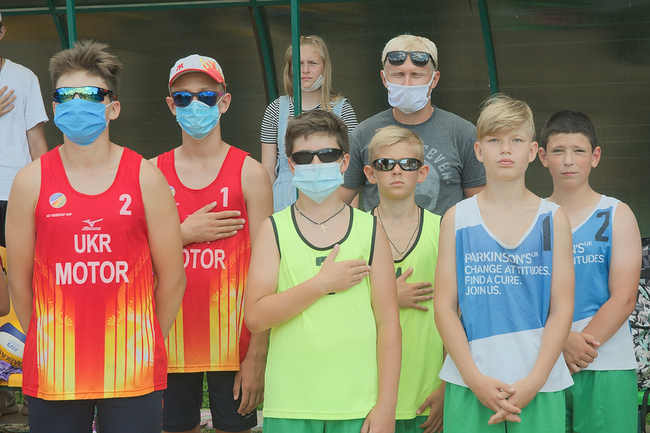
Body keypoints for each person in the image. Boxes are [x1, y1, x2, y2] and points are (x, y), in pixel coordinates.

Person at [5, 40, 186, 433]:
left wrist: (146, 340)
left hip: (133, 369)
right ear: (54, 109)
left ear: (113, 107)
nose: (76, 104)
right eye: (64, 95)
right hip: (55, 370)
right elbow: (19, 283)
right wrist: (47, 340)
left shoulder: (146, 177)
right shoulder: (30, 181)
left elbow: (173, 278)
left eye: (89, 94)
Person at [245, 109, 400, 433]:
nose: (316, 164)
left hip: (358, 405)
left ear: (344, 162)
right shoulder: (274, 229)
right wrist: (321, 284)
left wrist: (386, 406)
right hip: (290, 405)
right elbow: (256, 317)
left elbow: (388, 324)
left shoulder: (371, 229)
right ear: (291, 165)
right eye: (304, 157)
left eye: (327, 155)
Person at [434, 94, 575, 432]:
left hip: (539, 384)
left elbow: (562, 308)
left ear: (533, 151)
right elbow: (444, 307)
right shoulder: (457, 218)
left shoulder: (553, 219)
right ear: (479, 150)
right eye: (495, 140)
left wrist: (535, 380)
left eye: (516, 140)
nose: (506, 149)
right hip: (471, 383)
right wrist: (474, 378)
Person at [151, 54, 273, 433]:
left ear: (224, 101)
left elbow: (266, 271)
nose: (194, 105)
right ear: (171, 105)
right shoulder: (150, 173)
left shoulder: (251, 174)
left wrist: (258, 354)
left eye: (205, 96)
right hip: (168, 339)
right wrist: (183, 234)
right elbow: (130, 260)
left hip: (234, 343)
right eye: (183, 97)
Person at [538, 110, 641, 433]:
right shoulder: (532, 217)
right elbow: (523, 294)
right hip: (543, 364)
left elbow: (624, 298)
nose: (568, 161)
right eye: (558, 151)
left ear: (595, 157)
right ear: (542, 156)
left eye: (578, 151)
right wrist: (561, 342)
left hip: (605, 362)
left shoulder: (616, 213)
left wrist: (578, 349)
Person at [341, 34, 485, 215]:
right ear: (384, 79)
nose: (407, 84)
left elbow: (480, 209)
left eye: (416, 75)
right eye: (398, 75)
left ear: (434, 79)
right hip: (379, 233)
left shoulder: (463, 134)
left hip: (445, 234)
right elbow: (336, 204)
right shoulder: (363, 133)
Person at [363, 126, 444, 433]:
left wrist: (447, 384)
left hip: (428, 388)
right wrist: (388, 298)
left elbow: (459, 312)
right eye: (385, 164)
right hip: (368, 393)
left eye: (408, 164)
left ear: (422, 173)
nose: (397, 171)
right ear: (371, 173)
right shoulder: (354, 231)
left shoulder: (443, 230)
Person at [260, 35, 358, 212]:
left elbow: (352, 170)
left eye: (312, 63)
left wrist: (352, 214)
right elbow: (268, 170)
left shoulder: (342, 108)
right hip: (284, 203)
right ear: (290, 69)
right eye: (299, 64)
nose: (305, 70)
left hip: (332, 203)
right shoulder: (275, 109)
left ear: (324, 67)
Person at [0, 11, 49, 248]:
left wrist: (45, 189)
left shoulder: (24, 77)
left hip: (15, 190)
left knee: (19, 263)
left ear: (2, 32)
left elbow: (37, 143)